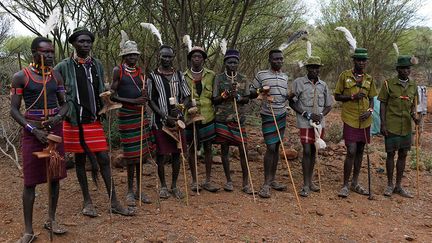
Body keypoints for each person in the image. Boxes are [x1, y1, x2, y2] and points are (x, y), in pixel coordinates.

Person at [55, 27, 134, 217]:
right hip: (74, 121)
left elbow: (100, 89)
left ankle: (114, 201)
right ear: (73, 43)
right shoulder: (63, 66)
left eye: (88, 42)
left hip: (93, 119)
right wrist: (64, 106)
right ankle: (87, 201)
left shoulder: (96, 64)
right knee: (80, 160)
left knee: (104, 159)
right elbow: (56, 89)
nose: (85, 45)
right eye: (81, 41)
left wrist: (106, 103)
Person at [11, 37, 68, 242]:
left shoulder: (57, 76)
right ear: (34, 52)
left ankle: (51, 219)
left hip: (54, 129)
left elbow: (65, 104)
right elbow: (14, 110)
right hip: (32, 131)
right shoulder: (21, 77)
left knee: (54, 176)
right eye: (45, 52)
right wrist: (32, 130)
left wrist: (58, 117)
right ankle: (28, 230)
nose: (50, 55)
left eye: (52, 52)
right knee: (30, 181)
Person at [110, 35, 155, 206]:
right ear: (123, 56)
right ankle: (129, 191)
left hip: (140, 116)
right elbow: (112, 96)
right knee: (130, 156)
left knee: (141, 155)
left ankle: (139, 190)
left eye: (135, 55)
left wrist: (144, 97)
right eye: (129, 55)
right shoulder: (118, 71)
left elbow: (145, 95)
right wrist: (133, 102)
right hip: (126, 117)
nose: (133, 58)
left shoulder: (141, 73)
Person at [147, 45, 191, 199]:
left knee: (176, 153)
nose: (166, 59)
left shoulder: (179, 75)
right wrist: (164, 115)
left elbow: (186, 96)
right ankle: (163, 186)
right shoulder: (152, 76)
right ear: (159, 56)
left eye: (169, 57)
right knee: (161, 154)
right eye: (163, 56)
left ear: (173, 57)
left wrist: (180, 108)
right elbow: (151, 100)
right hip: (160, 121)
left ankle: (174, 185)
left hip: (178, 121)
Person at [334, 48, 378, 198]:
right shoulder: (344, 76)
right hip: (350, 118)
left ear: (366, 62)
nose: (361, 62)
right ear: (354, 61)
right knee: (351, 150)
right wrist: (352, 96)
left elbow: (372, 98)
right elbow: (337, 96)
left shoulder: (369, 79)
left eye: (363, 60)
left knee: (360, 150)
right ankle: (345, 185)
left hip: (365, 120)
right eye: (358, 60)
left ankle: (355, 182)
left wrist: (370, 111)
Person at [289, 56, 333, 197]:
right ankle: (306, 184)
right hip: (304, 122)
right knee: (307, 150)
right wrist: (305, 114)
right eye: (312, 67)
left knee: (314, 150)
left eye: (317, 67)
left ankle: (311, 181)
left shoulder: (323, 85)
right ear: (307, 68)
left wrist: (320, 115)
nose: (315, 70)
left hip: (319, 123)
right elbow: (292, 102)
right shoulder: (299, 83)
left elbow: (328, 105)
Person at [250, 49, 289, 198]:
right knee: (270, 146)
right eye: (275, 59)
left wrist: (290, 96)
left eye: (280, 59)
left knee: (277, 146)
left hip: (281, 114)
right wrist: (262, 91)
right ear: (270, 60)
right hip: (268, 114)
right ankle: (266, 183)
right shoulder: (261, 75)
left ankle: (273, 179)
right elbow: (252, 91)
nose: (278, 61)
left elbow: (285, 96)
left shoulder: (285, 77)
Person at [379, 55, 419, 198]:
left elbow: (414, 107)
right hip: (391, 124)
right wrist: (383, 123)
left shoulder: (414, 86)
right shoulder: (388, 84)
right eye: (402, 68)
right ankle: (389, 185)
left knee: (403, 154)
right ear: (397, 69)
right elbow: (382, 104)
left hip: (406, 126)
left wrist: (415, 116)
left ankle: (398, 186)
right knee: (391, 154)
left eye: (407, 68)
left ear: (410, 70)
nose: (405, 71)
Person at [213, 49, 252, 194]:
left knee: (243, 150)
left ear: (238, 63)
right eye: (229, 62)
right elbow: (214, 100)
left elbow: (247, 98)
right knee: (224, 150)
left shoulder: (243, 78)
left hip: (238, 120)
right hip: (222, 119)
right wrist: (225, 95)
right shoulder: (219, 78)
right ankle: (228, 181)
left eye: (235, 62)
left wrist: (239, 97)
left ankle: (245, 182)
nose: (232, 65)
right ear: (225, 63)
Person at [184, 46, 217, 192]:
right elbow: (182, 96)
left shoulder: (211, 75)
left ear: (203, 59)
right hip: (190, 117)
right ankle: (194, 180)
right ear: (190, 59)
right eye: (194, 56)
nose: (197, 59)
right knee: (191, 147)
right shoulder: (183, 76)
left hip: (207, 116)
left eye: (200, 56)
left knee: (208, 147)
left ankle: (208, 180)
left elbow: (215, 96)